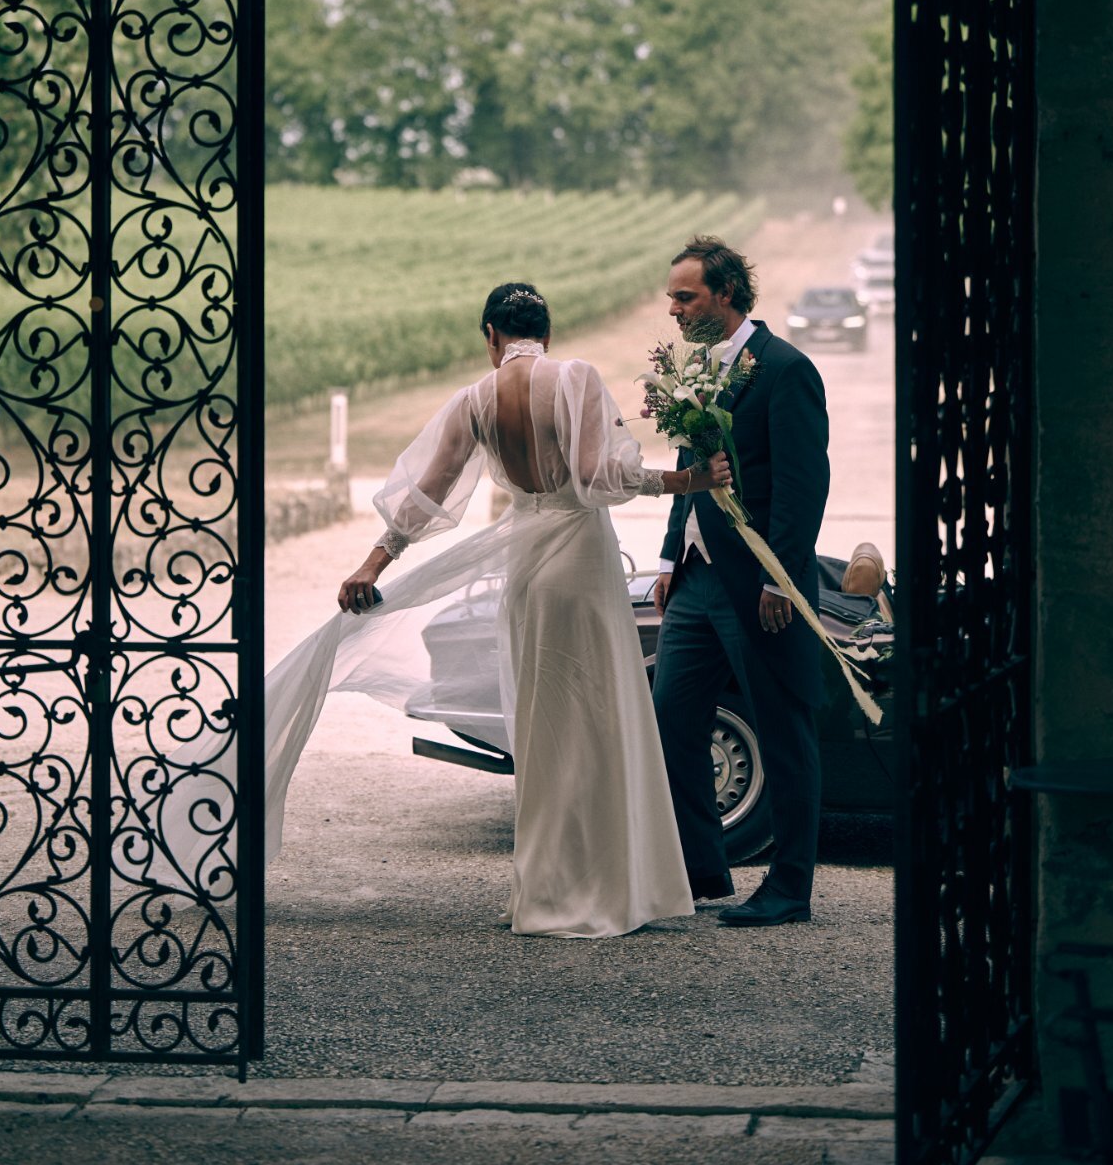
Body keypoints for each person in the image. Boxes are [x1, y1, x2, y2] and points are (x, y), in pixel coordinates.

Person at [260, 281, 732, 939]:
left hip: (529, 572)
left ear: (491, 336)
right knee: (599, 718)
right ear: (547, 330)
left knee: (543, 729)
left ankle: (545, 889)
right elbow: (601, 477)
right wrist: (685, 481)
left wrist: (373, 562)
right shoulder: (577, 377)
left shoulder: (476, 399)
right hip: (580, 563)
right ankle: (615, 885)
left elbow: (428, 493)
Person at [653, 237, 830, 927]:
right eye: (672, 296)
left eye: (685, 296)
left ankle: (790, 889)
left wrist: (780, 580)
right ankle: (702, 872)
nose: (672, 308)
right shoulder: (695, 369)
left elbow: (801, 487)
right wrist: (670, 558)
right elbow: (688, 464)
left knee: (785, 731)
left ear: (725, 293)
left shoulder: (787, 370)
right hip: (697, 581)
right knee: (672, 719)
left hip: (761, 585)